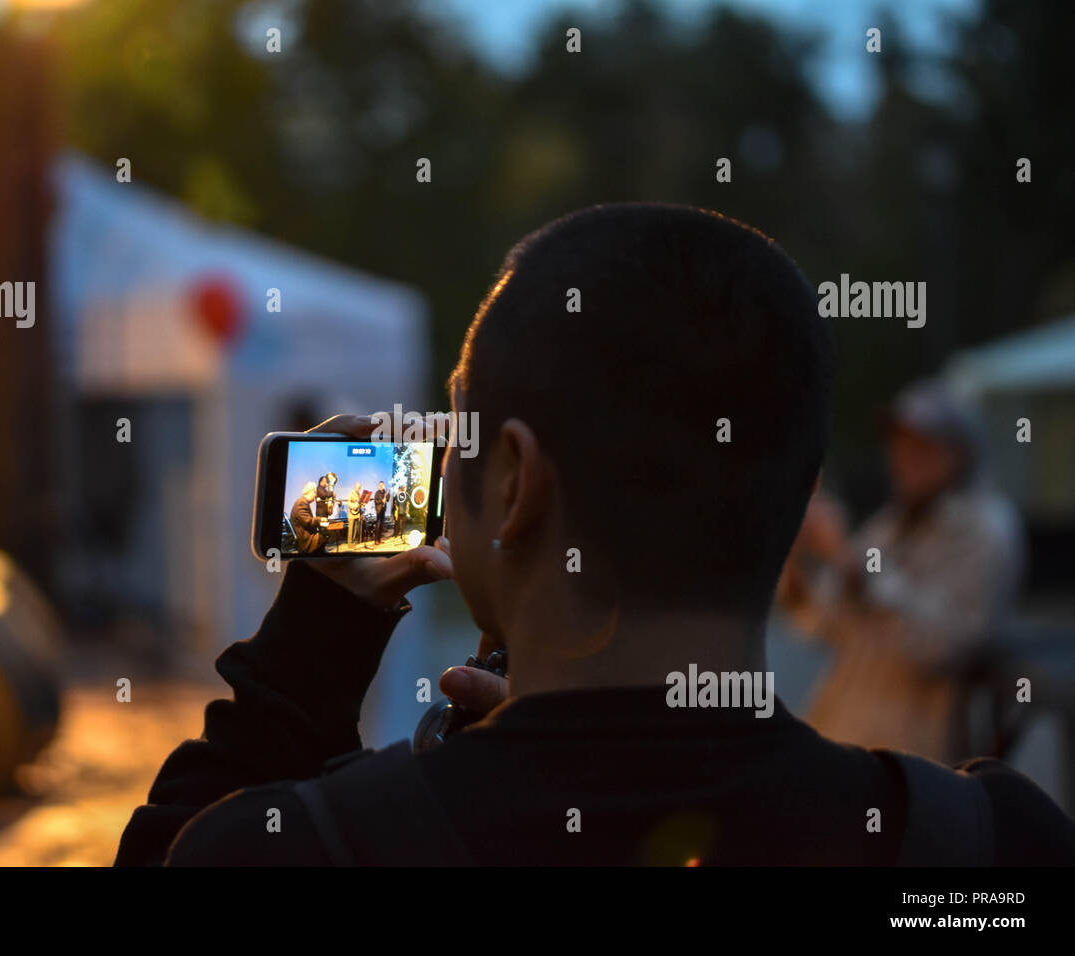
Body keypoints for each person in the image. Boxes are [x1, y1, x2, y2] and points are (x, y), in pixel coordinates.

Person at [117, 204, 1075, 866]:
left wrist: (308, 649)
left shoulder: (304, 848)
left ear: (516, 481)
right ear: (799, 495)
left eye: (460, 439)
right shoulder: (985, 851)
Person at [777, 381, 1025, 763]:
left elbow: (942, 643)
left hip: (908, 759)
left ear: (960, 451)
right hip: (841, 735)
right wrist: (800, 564)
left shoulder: (985, 529)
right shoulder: (891, 525)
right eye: (899, 443)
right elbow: (825, 626)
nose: (904, 456)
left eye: (922, 444)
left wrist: (848, 561)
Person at [288, 482, 323, 555]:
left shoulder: (303, 502)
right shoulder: (301, 503)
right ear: (311, 491)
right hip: (305, 539)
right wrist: (320, 519)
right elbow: (308, 521)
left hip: (305, 534)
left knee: (323, 535)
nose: (316, 495)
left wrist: (318, 519)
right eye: (315, 493)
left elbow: (307, 519)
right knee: (324, 536)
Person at [345, 482, 362, 549]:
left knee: (355, 528)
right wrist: (353, 506)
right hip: (352, 513)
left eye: (359, 488)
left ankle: (353, 541)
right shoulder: (351, 493)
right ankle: (349, 543)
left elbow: (359, 503)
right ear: (355, 487)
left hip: (357, 513)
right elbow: (348, 502)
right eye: (358, 488)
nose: (358, 489)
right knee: (351, 529)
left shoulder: (359, 494)